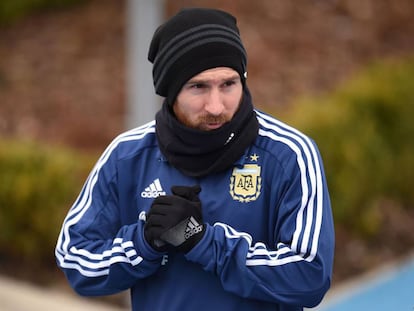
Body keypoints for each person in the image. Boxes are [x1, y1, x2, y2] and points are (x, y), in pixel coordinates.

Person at [55, 8, 334, 311]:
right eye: (198, 87)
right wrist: (144, 243)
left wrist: (203, 242)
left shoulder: (287, 154)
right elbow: (75, 260)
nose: (215, 106)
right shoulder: (128, 156)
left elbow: (310, 275)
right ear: (171, 91)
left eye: (228, 84)